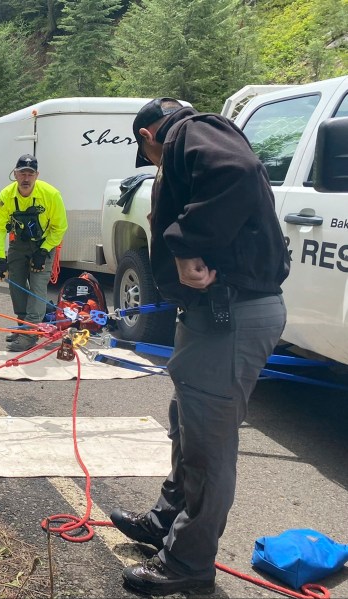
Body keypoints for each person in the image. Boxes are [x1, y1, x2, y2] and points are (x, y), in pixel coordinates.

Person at [111, 98, 289, 596]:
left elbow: (238, 171)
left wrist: (187, 244)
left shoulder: (190, 131)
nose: (151, 161)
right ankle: (166, 522)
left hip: (230, 315)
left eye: (146, 153)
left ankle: (188, 563)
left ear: (149, 135)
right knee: (186, 424)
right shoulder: (193, 137)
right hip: (211, 314)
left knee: (209, 447)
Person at [0, 154, 67, 352]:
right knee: (15, 284)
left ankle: (31, 333)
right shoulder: (5, 196)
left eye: (30, 174)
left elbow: (59, 228)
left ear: (36, 175)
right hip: (19, 243)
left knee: (37, 287)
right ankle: (23, 324)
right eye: (22, 173)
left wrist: (43, 251)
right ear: (15, 174)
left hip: (44, 244)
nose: (26, 178)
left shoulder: (51, 195)